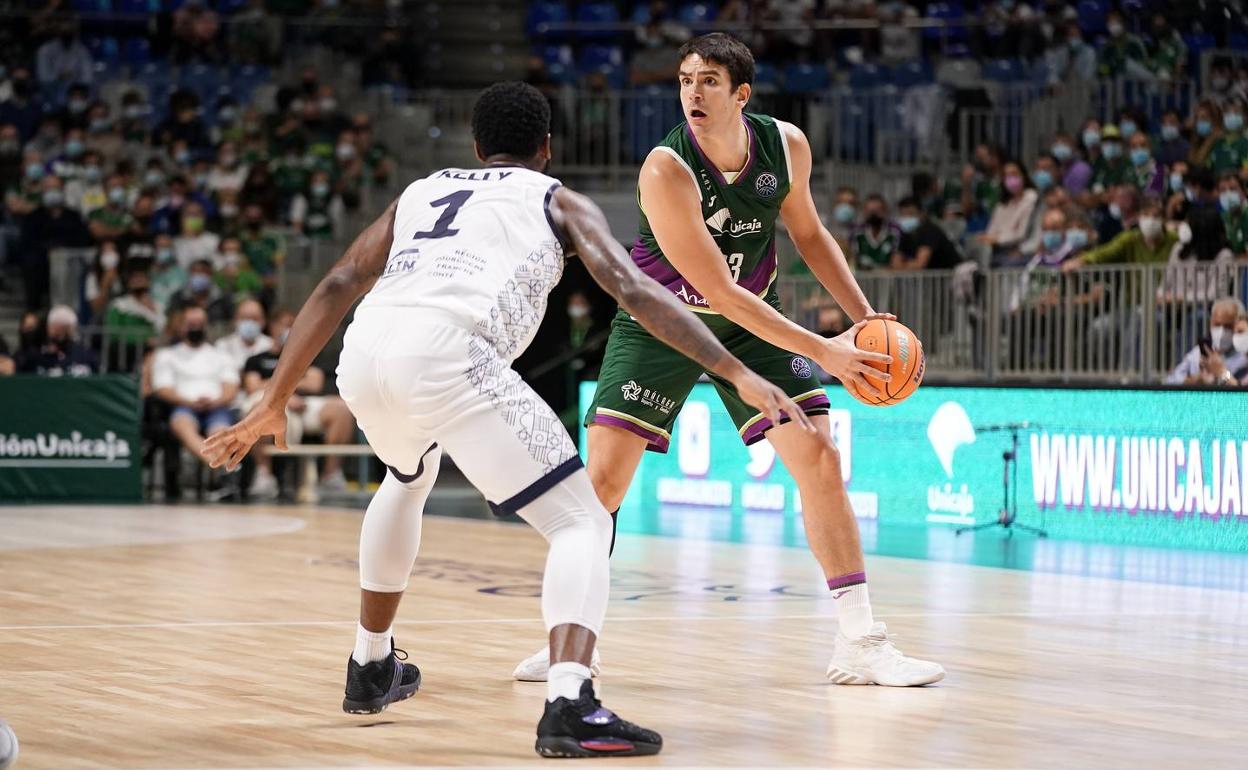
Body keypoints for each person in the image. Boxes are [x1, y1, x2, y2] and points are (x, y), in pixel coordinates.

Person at [203, 80, 811, 758]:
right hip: (447, 353)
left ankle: (371, 664)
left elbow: (340, 282)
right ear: (547, 149)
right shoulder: (557, 199)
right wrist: (735, 368)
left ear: (474, 147)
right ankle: (570, 702)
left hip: (364, 354)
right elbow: (637, 291)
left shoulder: (422, 191)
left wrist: (274, 400)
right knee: (581, 519)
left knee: (407, 477)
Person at [510, 35, 944, 687]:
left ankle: (861, 642)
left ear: (742, 94)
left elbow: (809, 234)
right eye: (685, 79)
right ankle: (571, 642)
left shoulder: (785, 145)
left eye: (709, 80)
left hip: (752, 325)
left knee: (820, 458)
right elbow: (716, 292)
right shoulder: (666, 167)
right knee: (600, 486)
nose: (692, 92)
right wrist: (825, 348)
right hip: (663, 325)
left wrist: (865, 320)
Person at [240, 309, 357, 499]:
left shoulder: (307, 355)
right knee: (258, 410)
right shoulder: (257, 360)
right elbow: (253, 387)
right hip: (268, 401)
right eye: (285, 324)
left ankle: (331, 475)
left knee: (340, 408)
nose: (290, 328)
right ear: (272, 327)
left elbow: (315, 383)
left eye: (294, 324)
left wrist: (281, 387)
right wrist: (285, 394)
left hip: (302, 404)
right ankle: (264, 475)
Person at [1166, 297, 1246, 385]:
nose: (1222, 331)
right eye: (1217, 325)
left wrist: (1223, 373)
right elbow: (1171, 381)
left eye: (1228, 326)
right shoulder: (1199, 353)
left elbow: (1242, 391)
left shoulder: (1245, 355)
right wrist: (1197, 379)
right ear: (1210, 324)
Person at [15, 304, 98, 376]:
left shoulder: (85, 355)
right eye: (56, 328)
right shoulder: (33, 356)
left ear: (72, 329)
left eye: (64, 329)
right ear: (48, 328)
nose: (59, 333)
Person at [891, 196, 961, 271]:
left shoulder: (930, 231)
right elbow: (895, 262)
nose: (906, 218)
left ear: (922, 214)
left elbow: (920, 264)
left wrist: (902, 265)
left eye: (911, 214)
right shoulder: (904, 234)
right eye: (903, 215)